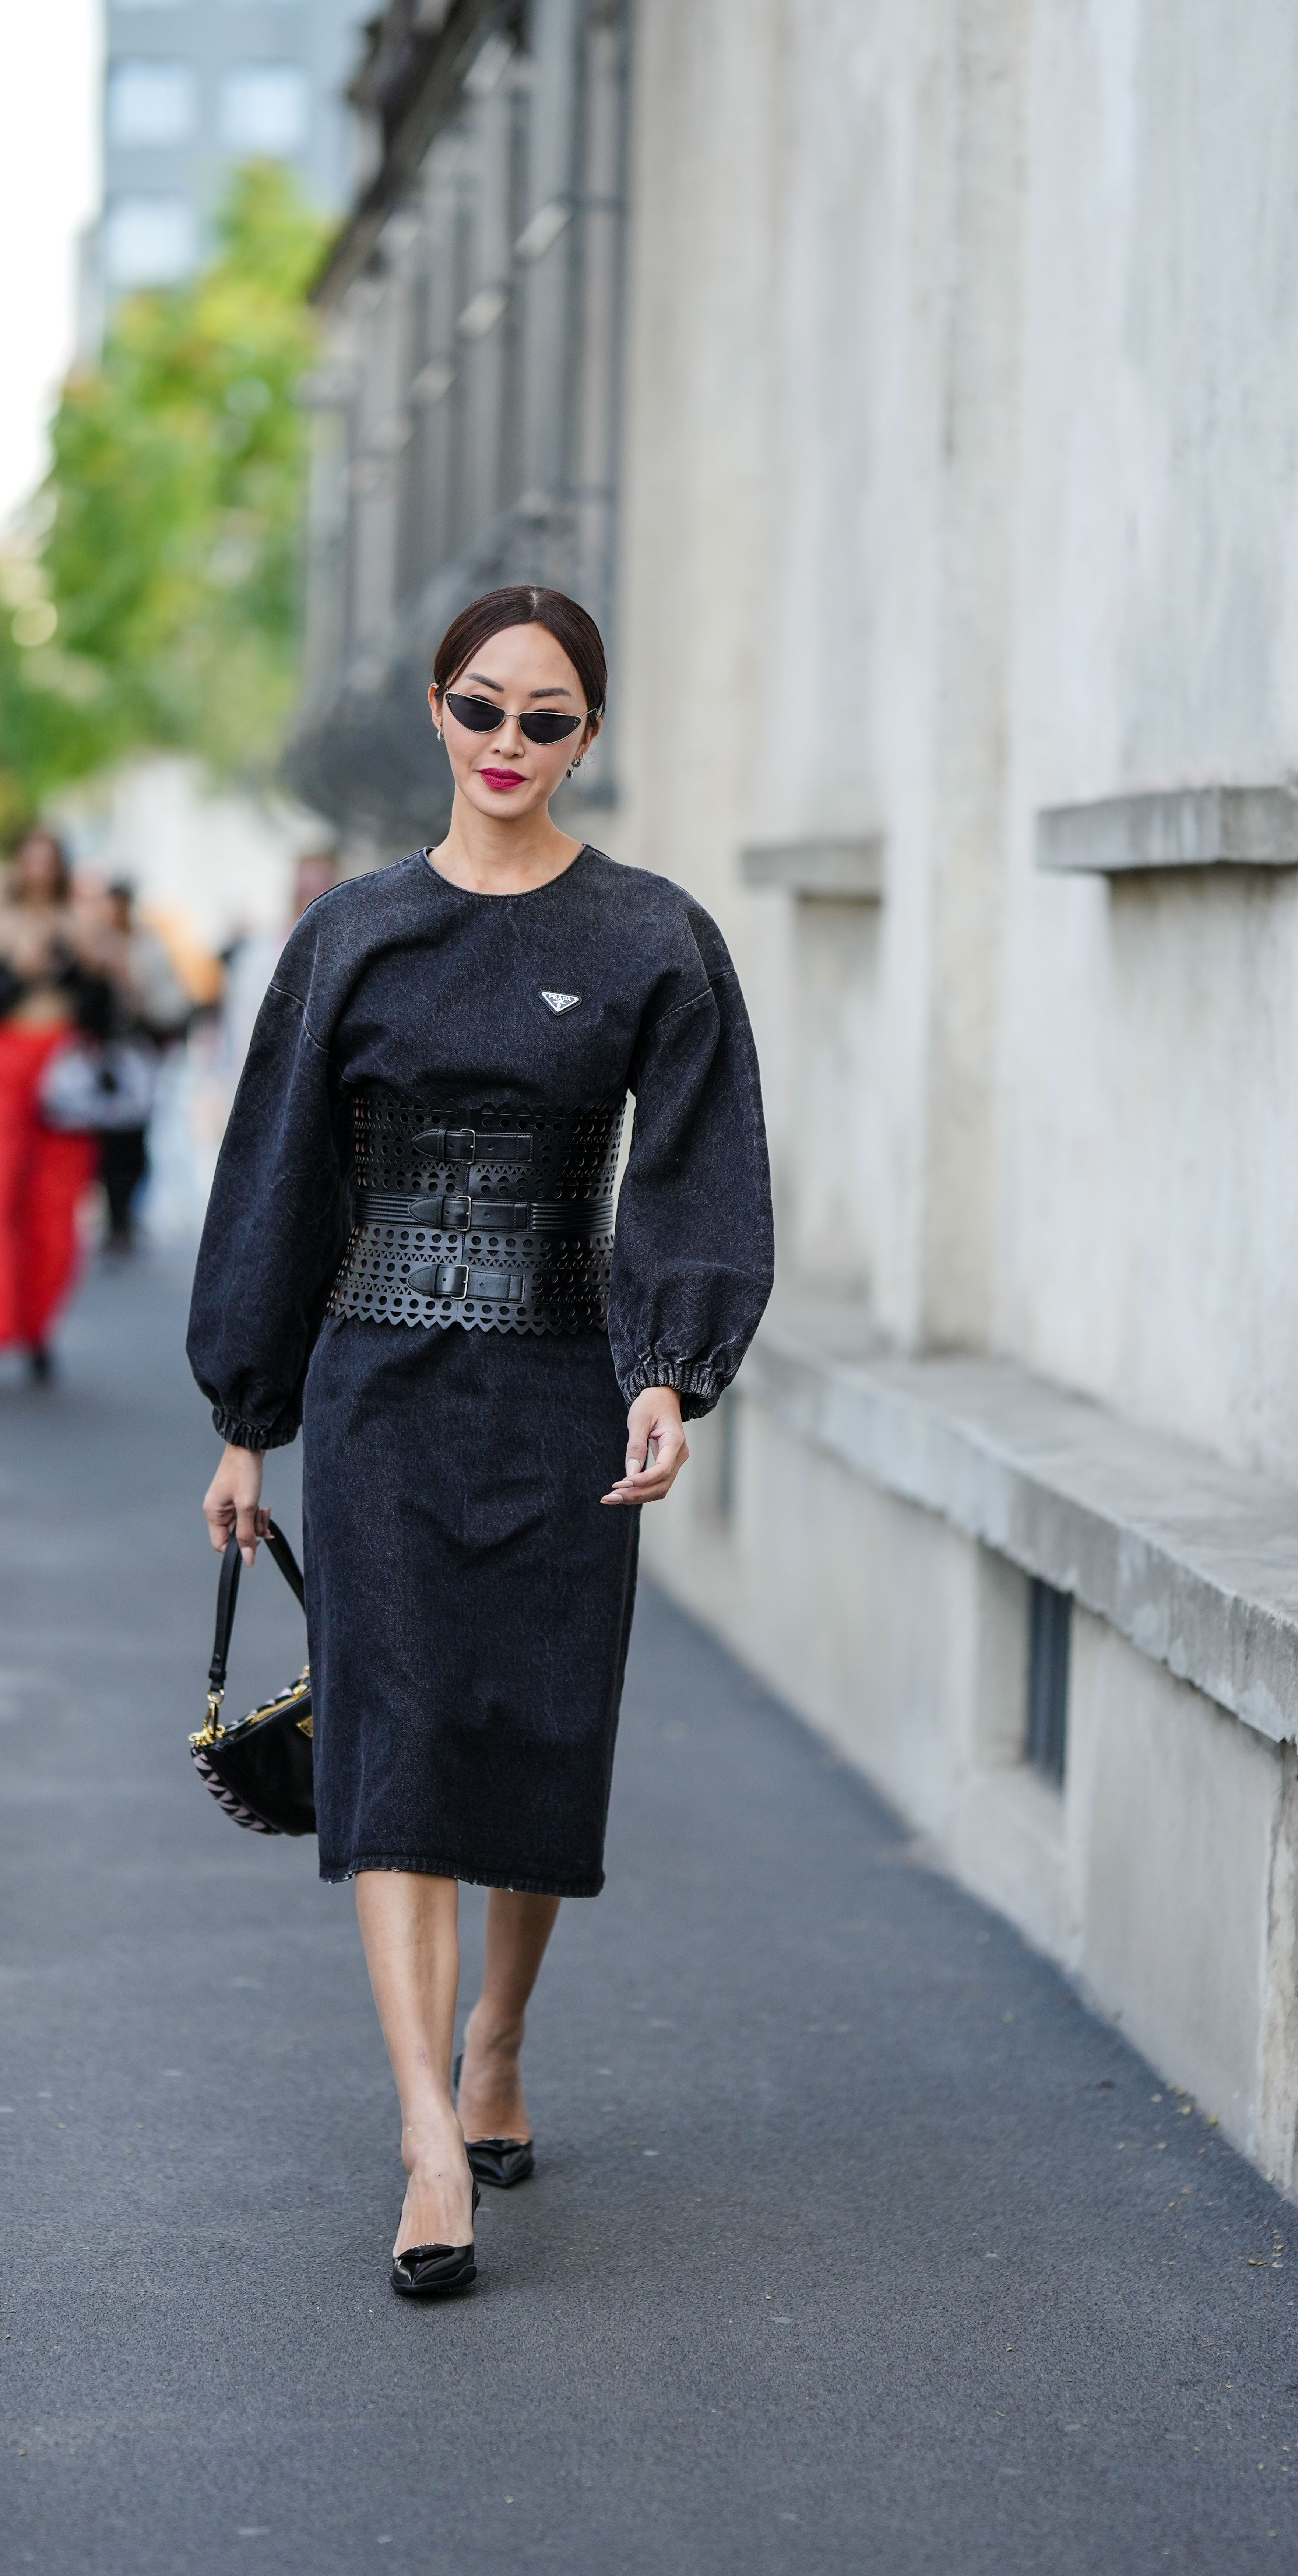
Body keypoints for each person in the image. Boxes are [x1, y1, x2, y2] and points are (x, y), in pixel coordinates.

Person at [188, 585, 773, 2296]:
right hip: (379, 1390)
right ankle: (428, 2132)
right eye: (481, 708)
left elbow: (698, 1165)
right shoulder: (353, 933)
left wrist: (671, 1364)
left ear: (590, 735)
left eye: (547, 718)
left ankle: (500, 2034)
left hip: (561, 1392)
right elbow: (278, 1171)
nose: (508, 744)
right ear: (437, 712)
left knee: (532, 1729)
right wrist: (247, 1418)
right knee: (396, 1745)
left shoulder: (653, 937)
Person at [0, 828, 105, 1382]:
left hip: (63, 1066)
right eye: (31, 861)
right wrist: (14, 970)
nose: (40, 872)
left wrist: (91, 962)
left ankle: (39, 1325)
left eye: (49, 861)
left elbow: (105, 1002)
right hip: (5, 1062)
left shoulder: (80, 923)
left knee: (59, 1203)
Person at [92, 880, 191, 1254]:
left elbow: (165, 1001)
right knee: (105, 1140)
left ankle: (124, 1215)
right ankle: (112, 1213)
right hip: (101, 1053)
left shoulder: (146, 947)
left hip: (136, 1050)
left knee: (133, 1137)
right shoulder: (94, 943)